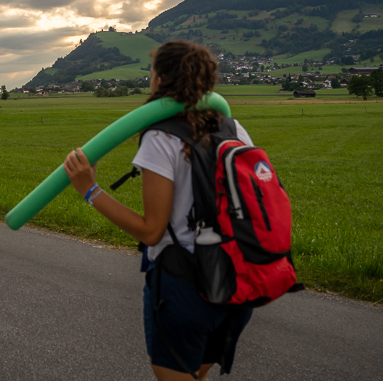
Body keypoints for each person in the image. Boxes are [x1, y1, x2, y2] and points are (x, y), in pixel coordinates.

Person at [63, 40, 255, 381]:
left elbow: (152, 231)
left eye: (151, 72)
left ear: (160, 79)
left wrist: (89, 190)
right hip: (238, 280)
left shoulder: (160, 137)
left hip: (186, 287)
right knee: (198, 375)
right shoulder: (233, 129)